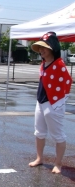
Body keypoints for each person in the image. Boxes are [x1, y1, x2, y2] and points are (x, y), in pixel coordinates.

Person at [29, 32, 72, 174]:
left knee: (58, 134)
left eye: (44, 47)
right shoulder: (43, 63)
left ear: (52, 48)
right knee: (39, 132)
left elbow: (67, 82)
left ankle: (58, 163)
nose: (41, 50)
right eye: (40, 48)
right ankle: (39, 158)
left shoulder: (59, 64)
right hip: (40, 101)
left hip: (53, 103)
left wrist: (59, 100)